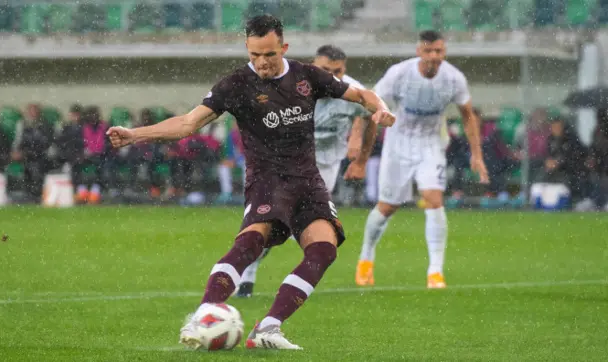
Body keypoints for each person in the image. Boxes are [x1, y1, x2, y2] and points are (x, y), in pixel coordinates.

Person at [106, 15, 395, 350]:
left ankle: (268, 329)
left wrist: (382, 110)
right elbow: (188, 123)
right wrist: (134, 135)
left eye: (269, 55)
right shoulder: (236, 85)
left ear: (283, 48)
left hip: (307, 179)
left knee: (324, 249)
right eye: (254, 54)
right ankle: (204, 314)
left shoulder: (308, 76)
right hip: (267, 180)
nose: (261, 62)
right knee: (252, 243)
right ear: (247, 49)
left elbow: (363, 96)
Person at [235, 44, 378, 298]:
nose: (333, 76)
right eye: (326, 70)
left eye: (338, 71)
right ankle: (248, 276)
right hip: (288, 161)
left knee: (285, 224)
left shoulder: (351, 90)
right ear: (314, 66)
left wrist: (361, 159)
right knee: (276, 220)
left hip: (326, 165)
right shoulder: (293, 84)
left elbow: (371, 114)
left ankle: (258, 272)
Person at [355, 30, 489, 289]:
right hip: (398, 144)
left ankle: (435, 272)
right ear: (419, 51)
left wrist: (477, 154)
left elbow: (468, 115)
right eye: (428, 51)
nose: (434, 56)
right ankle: (366, 258)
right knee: (387, 207)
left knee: (434, 200)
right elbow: (372, 99)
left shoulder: (454, 78)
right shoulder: (400, 73)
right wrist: (378, 118)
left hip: (431, 144)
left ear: (444, 52)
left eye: (438, 51)